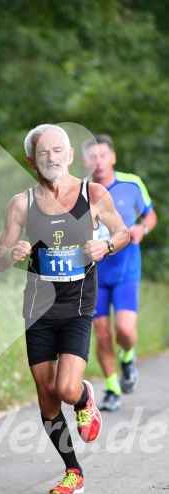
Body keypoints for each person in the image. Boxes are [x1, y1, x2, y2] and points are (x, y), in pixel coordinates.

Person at [0, 124, 129, 494]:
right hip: (37, 309)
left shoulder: (93, 193)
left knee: (66, 389)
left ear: (70, 155)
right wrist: (11, 255)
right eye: (43, 153)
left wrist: (107, 247)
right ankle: (73, 471)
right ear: (30, 161)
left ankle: (84, 397)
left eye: (58, 151)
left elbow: (123, 231)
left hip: (78, 306)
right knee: (46, 393)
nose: (51, 158)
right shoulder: (22, 203)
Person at [82, 134, 157, 412]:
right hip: (94, 271)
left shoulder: (132, 183)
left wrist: (143, 228)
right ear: (85, 161)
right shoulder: (82, 190)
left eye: (103, 155)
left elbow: (150, 215)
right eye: (93, 157)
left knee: (124, 330)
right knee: (101, 333)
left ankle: (127, 356)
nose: (98, 162)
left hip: (126, 267)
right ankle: (112, 388)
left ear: (113, 157)